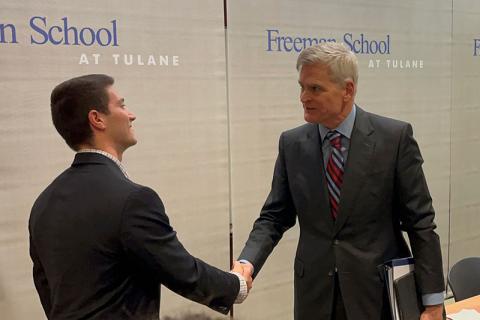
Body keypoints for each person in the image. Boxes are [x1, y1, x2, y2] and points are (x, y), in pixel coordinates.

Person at [238, 43, 445, 320]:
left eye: (315, 89)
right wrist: (246, 262)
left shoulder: (393, 139)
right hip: (315, 296)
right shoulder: (292, 144)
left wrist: (432, 302)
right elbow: (274, 216)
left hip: (376, 296)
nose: (303, 97)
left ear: (347, 90)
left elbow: (420, 223)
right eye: (301, 87)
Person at [29, 74, 251, 320]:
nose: (131, 115)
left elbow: (46, 289)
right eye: (122, 105)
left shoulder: (43, 203)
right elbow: (182, 271)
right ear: (97, 119)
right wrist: (237, 285)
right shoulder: (133, 200)